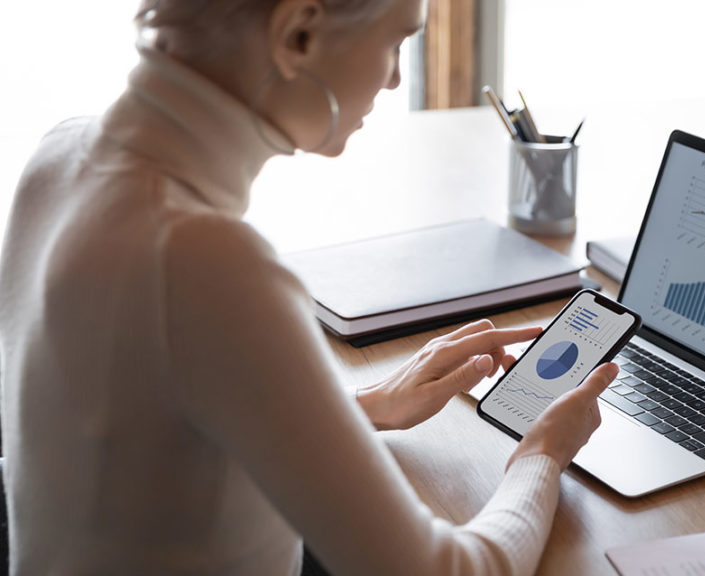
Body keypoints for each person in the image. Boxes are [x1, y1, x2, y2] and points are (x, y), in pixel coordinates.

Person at [0, 0, 619, 574]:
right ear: (297, 34)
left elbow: (150, 444)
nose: (395, 80)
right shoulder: (207, 264)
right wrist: (542, 454)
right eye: (396, 42)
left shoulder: (60, 156)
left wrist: (365, 408)